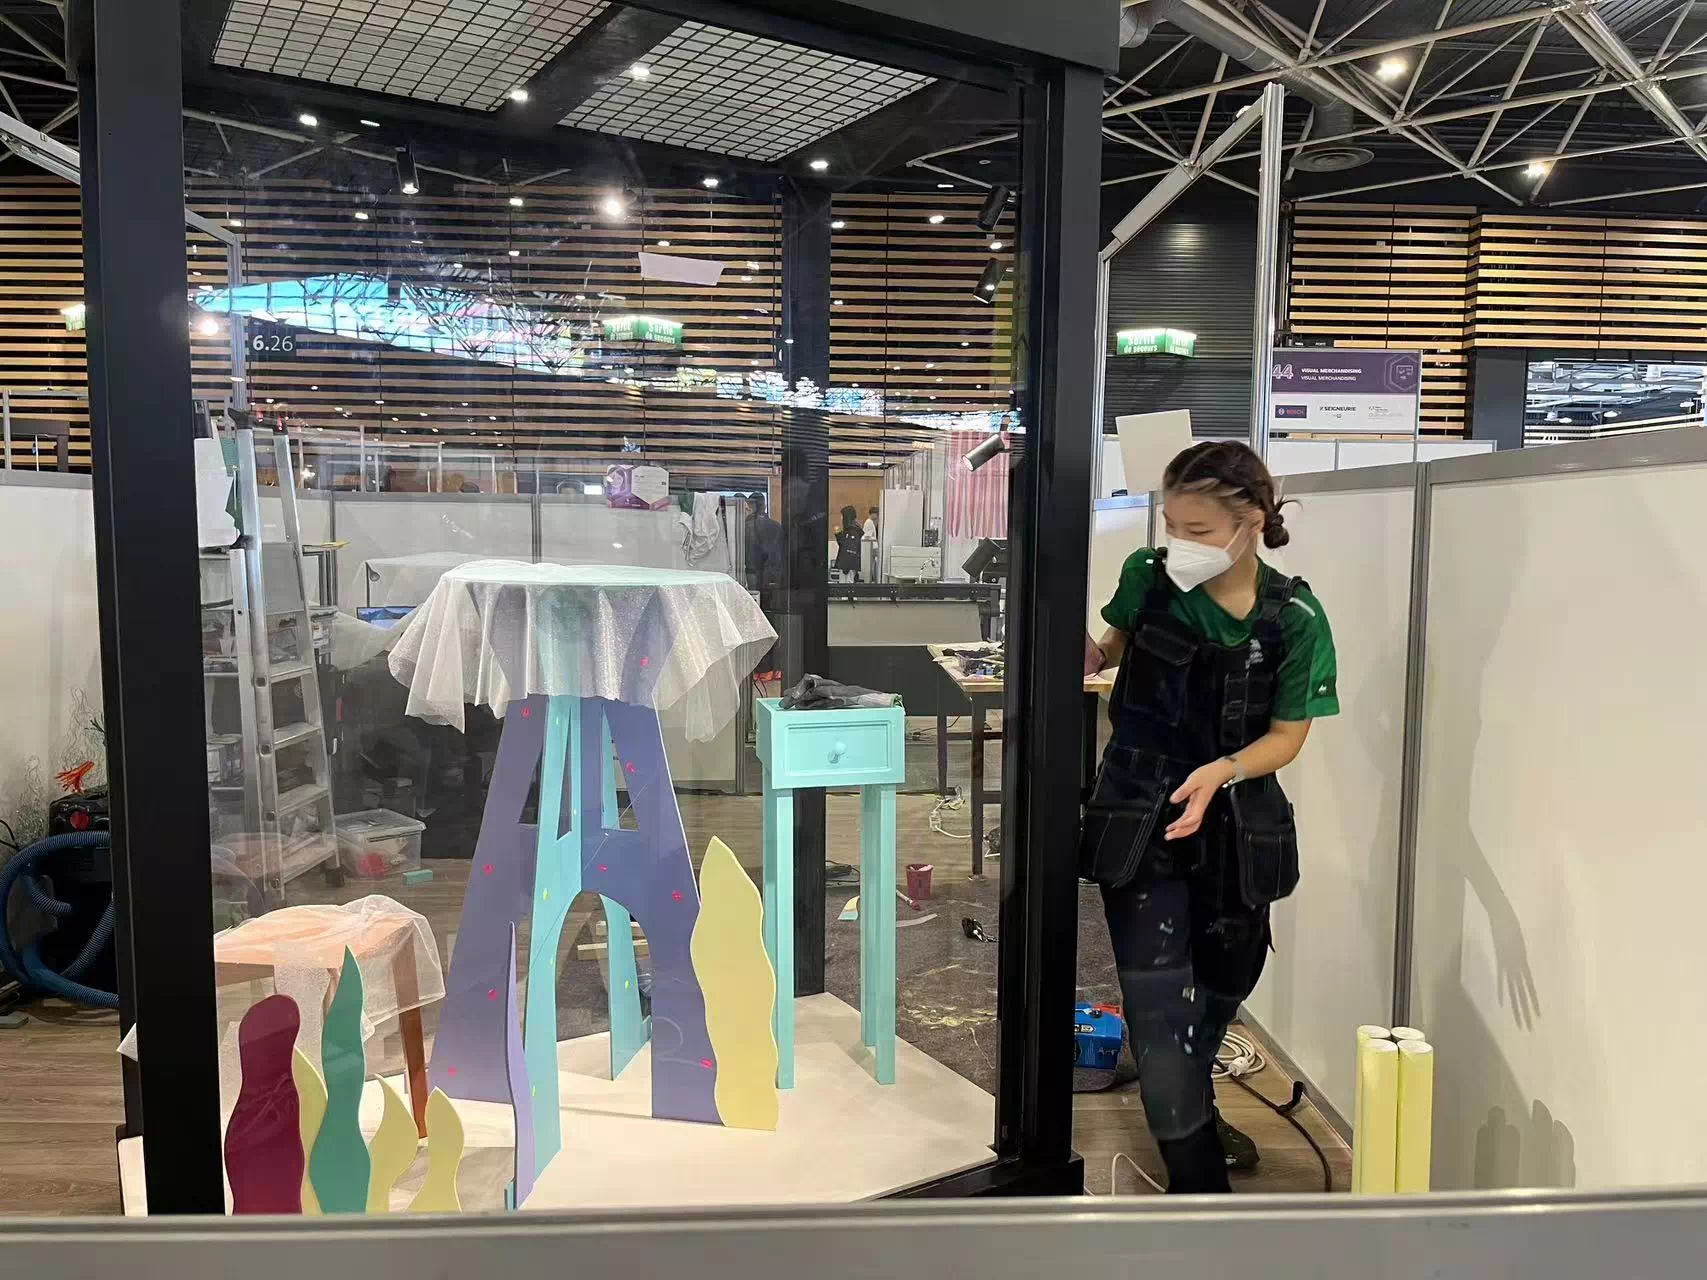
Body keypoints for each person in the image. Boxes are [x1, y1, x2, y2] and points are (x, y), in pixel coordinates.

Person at [1082, 440, 1338, 1193]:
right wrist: (1073, 643)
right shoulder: (1146, 576)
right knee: (1159, 1019)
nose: (1178, 544)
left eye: (1196, 530)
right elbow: (1108, 652)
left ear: (1251, 521)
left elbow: (1286, 736)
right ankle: (1202, 1205)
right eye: (1171, 525)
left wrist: (1223, 771)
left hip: (1236, 829)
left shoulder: (1294, 618)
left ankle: (1192, 1099)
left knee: (1226, 981)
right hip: (1141, 816)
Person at [744, 493, 784, 589]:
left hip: (750, 575)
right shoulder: (776, 526)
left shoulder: (744, 526)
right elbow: (780, 554)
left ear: (750, 507)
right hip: (772, 576)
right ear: (765, 506)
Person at [834, 504, 864, 581]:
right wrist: (838, 535)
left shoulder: (853, 531)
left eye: (842, 516)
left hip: (848, 568)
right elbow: (843, 546)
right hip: (847, 567)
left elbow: (850, 550)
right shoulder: (849, 530)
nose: (841, 518)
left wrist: (846, 567)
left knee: (847, 585)